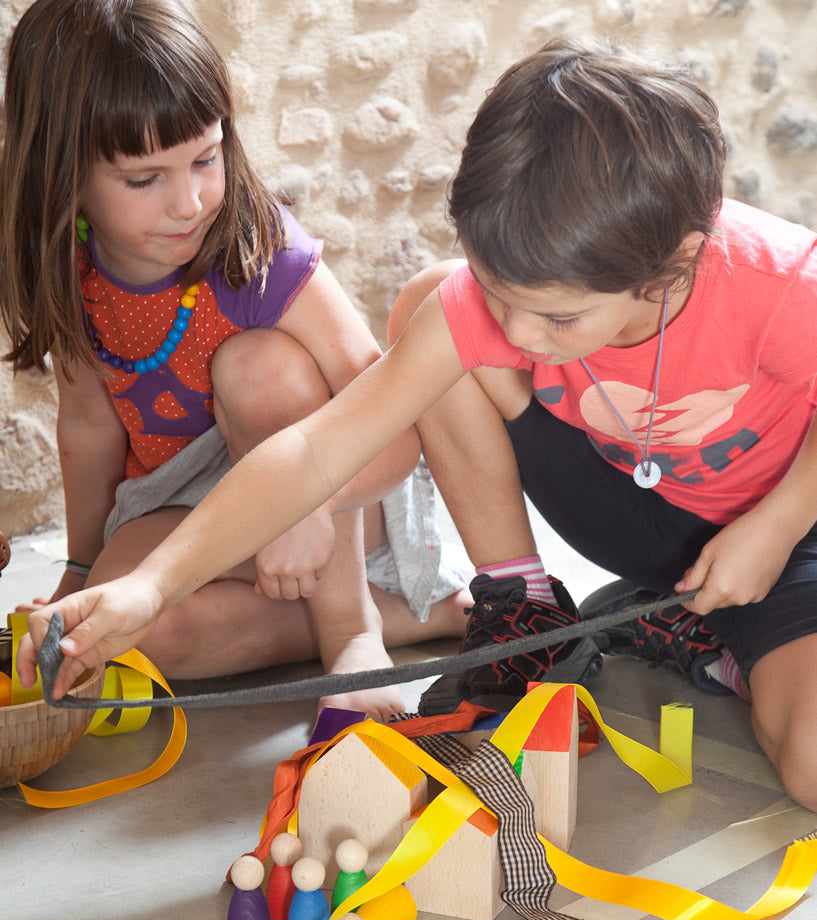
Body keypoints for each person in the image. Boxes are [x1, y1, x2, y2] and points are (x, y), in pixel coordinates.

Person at [17, 38, 817, 811]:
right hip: (638, 515)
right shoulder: (496, 310)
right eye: (500, 295)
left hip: (790, 530)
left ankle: (703, 628)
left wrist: (780, 522)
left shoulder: (779, 280)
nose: (521, 337)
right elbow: (313, 451)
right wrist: (148, 587)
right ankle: (533, 608)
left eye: (557, 317)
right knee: (436, 312)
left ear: (671, 264)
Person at [1, 0, 469, 722]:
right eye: (143, 179)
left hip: (334, 489)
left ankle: (353, 632)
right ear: (65, 174)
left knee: (259, 366)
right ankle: (420, 614)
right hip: (183, 504)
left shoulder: (262, 252)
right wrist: (83, 570)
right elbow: (90, 426)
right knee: (125, 629)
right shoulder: (72, 265)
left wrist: (301, 502)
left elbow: (392, 430)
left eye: (205, 157)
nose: (189, 202)